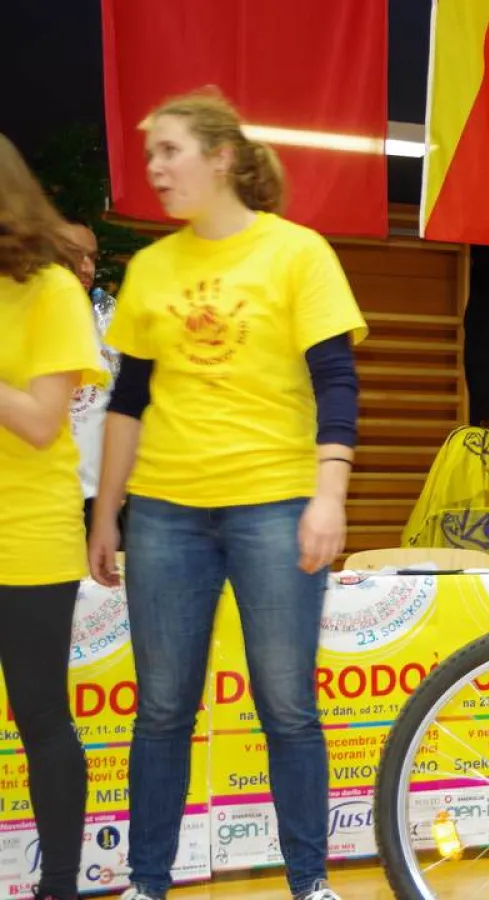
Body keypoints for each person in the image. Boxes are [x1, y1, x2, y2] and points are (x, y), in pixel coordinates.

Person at [85, 89, 365, 900]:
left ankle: (309, 881)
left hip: (276, 504)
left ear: (221, 158)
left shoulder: (298, 253)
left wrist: (329, 494)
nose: (155, 167)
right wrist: (107, 512)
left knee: (287, 706)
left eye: (169, 150)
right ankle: (147, 882)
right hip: (165, 514)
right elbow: (128, 401)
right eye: (150, 154)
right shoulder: (150, 268)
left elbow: (337, 381)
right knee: (162, 709)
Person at [0, 132, 100, 900]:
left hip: (27, 534)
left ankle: (59, 886)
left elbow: (40, 420)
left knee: (39, 714)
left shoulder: (52, 290)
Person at [59, 218, 121, 534]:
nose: (86, 267)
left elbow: (125, 404)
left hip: (99, 493)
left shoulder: (107, 318)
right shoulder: (18, 320)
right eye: (74, 255)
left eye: (92, 258)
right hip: (43, 491)